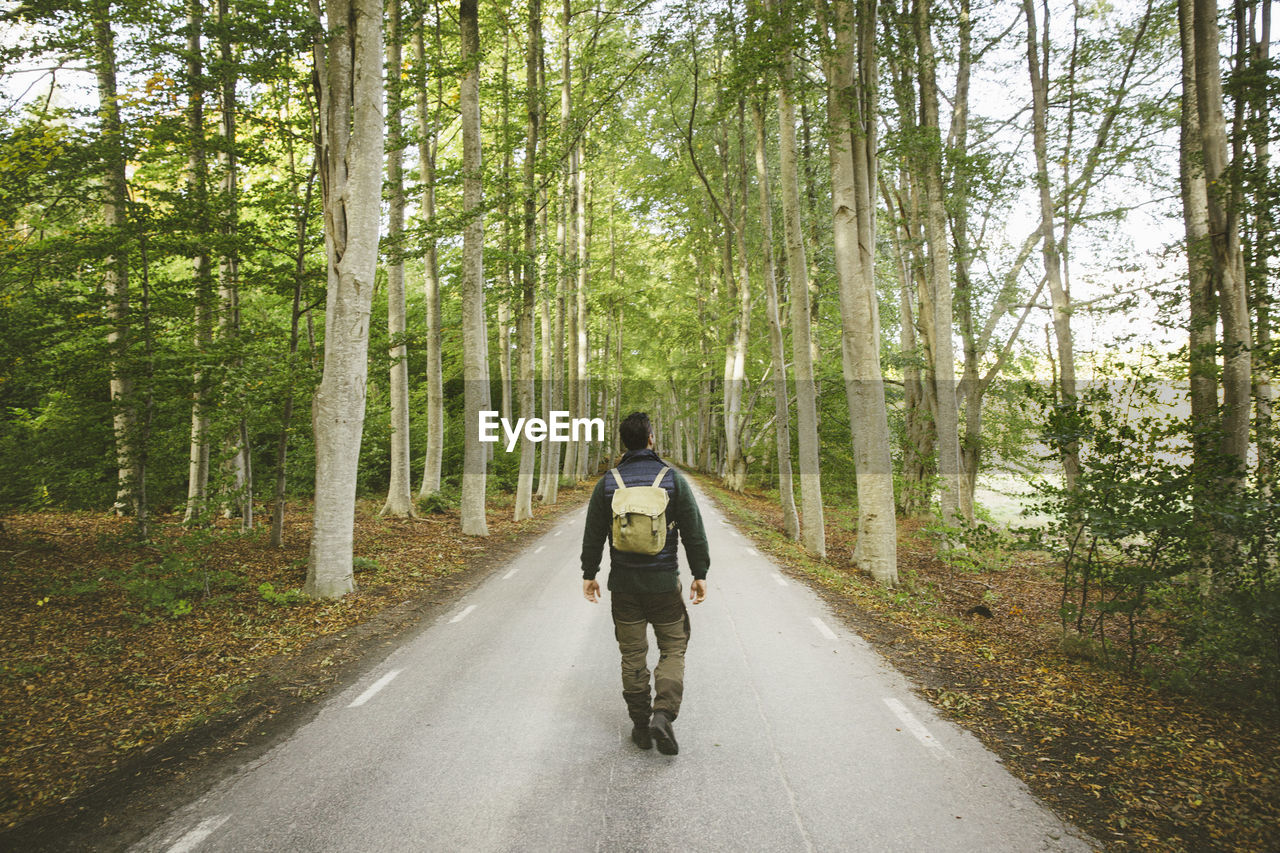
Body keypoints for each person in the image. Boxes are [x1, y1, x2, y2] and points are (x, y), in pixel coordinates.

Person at [580, 411, 710, 756]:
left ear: (625, 442)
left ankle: (640, 725)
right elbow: (694, 533)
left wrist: (588, 573)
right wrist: (700, 574)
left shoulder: (608, 483)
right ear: (651, 439)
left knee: (632, 655)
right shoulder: (672, 480)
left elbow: (593, 534)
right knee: (673, 647)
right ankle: (663, 714)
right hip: (665, 585)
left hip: (623, 586)